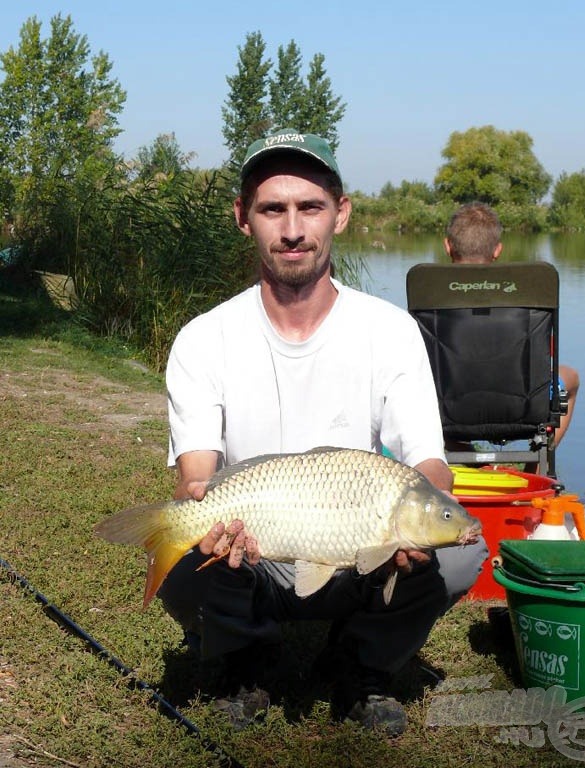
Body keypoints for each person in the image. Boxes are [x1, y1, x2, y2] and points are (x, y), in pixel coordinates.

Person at [158, 129, 487, 736]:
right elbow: (197, 475)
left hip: (358, 549)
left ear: (342, 213)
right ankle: (247, 659)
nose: (291, 229)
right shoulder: (204, 337)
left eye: (309, 207)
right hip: (252, 553)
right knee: (181, 551)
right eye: (271, 209)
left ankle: (357, 665)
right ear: (243, 218)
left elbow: (429, 462)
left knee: (463, 555)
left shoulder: (388, 330)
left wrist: (428, 518)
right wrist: (201, 515)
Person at [444, 201, 579, 446]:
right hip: (524, 407)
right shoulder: (523, 291)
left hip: (446, 410)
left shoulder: (431, 291)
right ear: (497, 250)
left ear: (447, 246)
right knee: (570, 377)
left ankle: (456, 457)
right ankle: (537, 469)